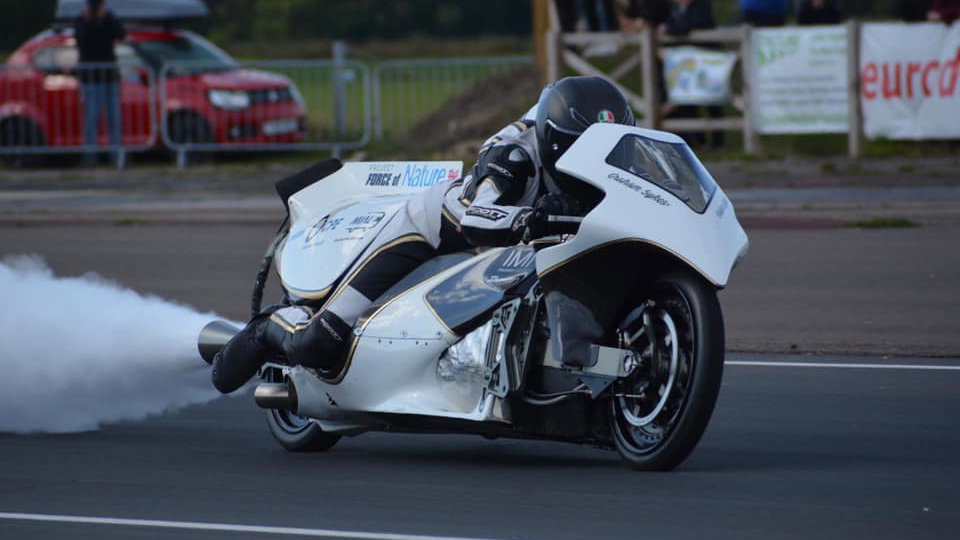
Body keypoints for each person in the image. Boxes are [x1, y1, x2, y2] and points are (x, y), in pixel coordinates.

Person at [211, 76, 636, 394]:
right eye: (582, 148)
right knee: (322, 344)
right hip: (431, 230)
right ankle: (266, 329)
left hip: (510, 257)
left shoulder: (606, 152)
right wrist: (525, 219)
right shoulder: (513, 157)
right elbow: (475, 217)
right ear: (556, 143)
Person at [74, 0, 125, 165]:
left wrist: (106, 20)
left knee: (114, 118)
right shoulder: (81, 20)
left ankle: (115, 155)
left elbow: (121, 34)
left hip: (109, 77)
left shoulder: (109, 18)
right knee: (91, 118)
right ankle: (90, 156)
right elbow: (81, 41)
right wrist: (89, 21)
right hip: (90, 79)